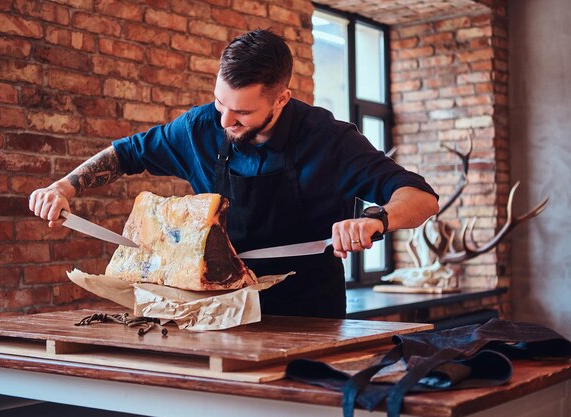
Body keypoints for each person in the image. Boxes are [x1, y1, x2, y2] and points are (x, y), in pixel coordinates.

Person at [29, 29, 438, 319]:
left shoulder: (329, 140)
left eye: (242, 112)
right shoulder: (199, 127)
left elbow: (421, 197)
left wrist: (376, 219)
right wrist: (64, 186)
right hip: (218, 310)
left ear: (281, 99)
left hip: (308, 315)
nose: (225, 119)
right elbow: (126, 153)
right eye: (219, 102)